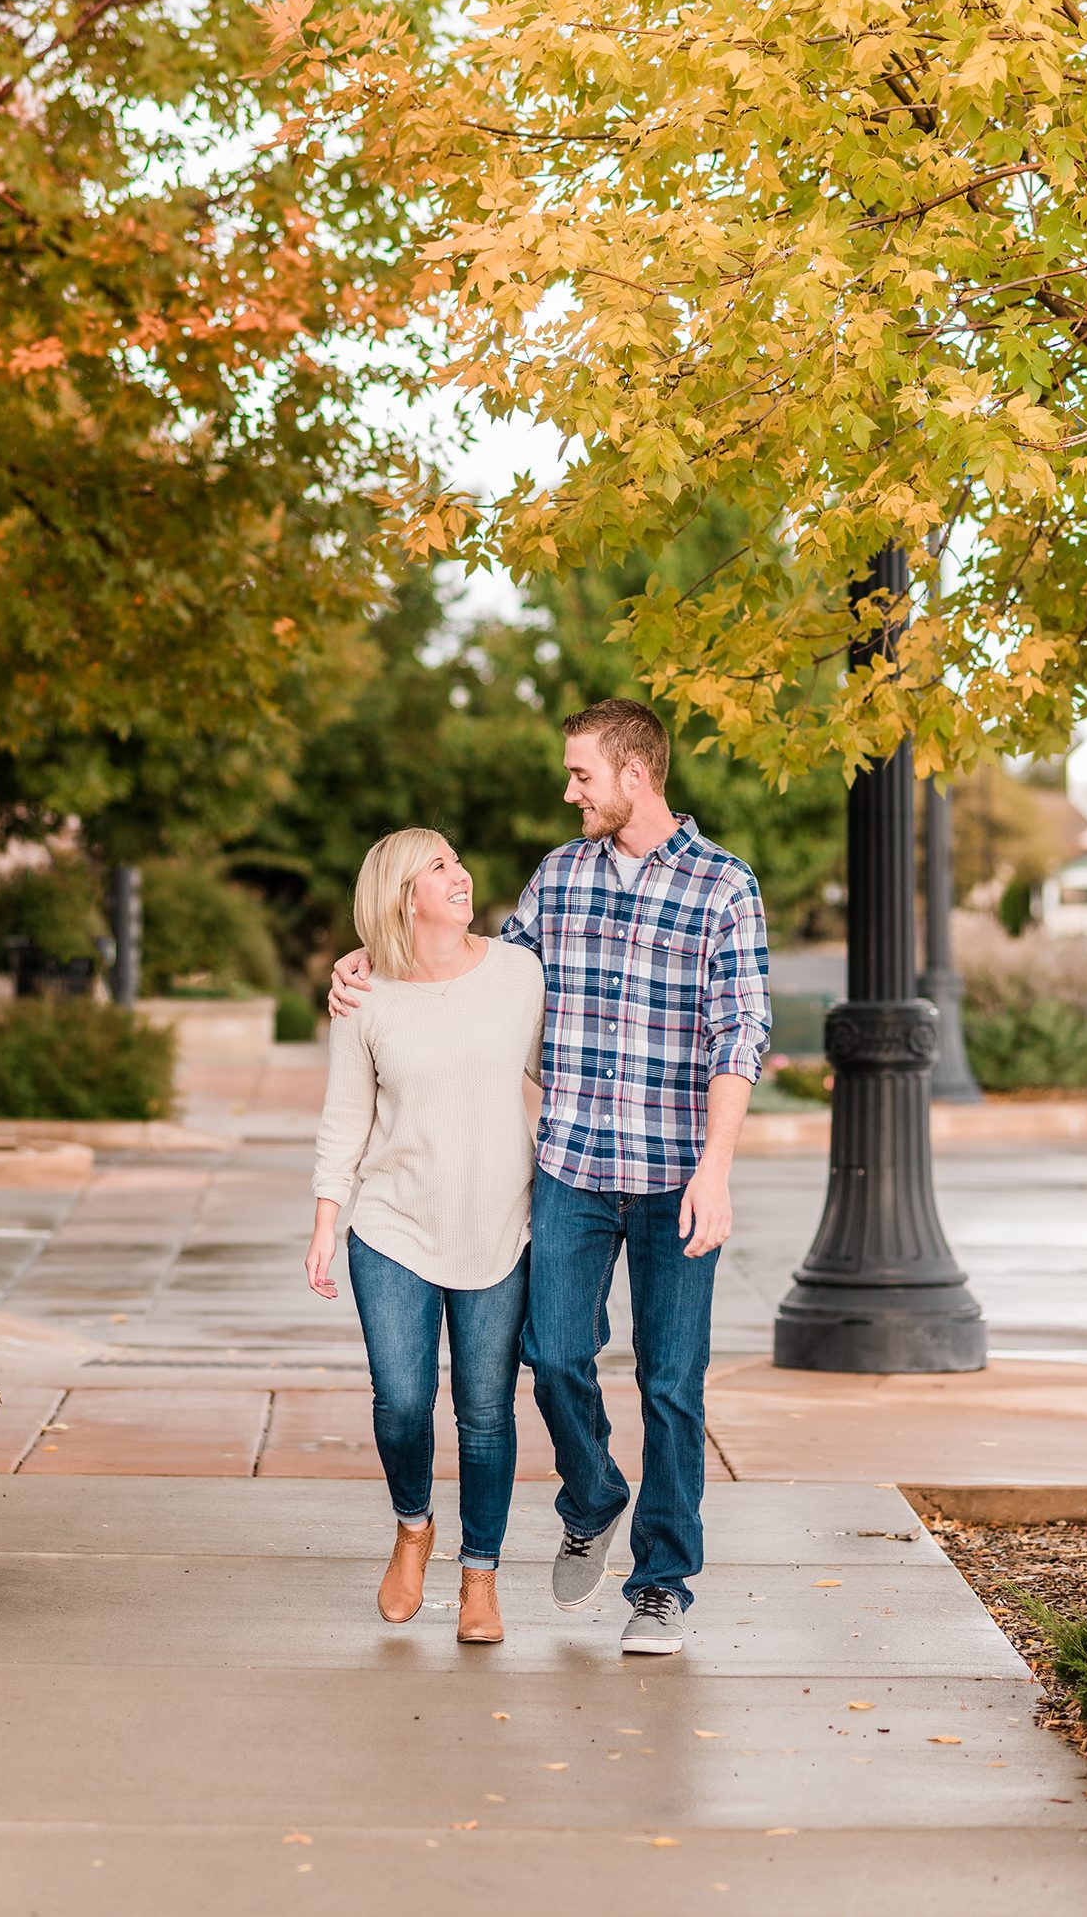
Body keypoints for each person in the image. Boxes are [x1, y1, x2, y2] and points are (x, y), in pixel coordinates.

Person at [331, 699, 770, 1656]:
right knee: (555, 1356)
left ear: (635, 777)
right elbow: (482, 975)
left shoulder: (724, 888)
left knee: (671, 1385)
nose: (568, 791)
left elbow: (742, 1033)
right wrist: (374, 956)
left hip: (674, 1176)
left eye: (581, 775)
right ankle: (595, 1494)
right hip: (570, 1167)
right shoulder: (559, 877)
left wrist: (717, 1169)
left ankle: (661, 1583)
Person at [308, 827, 544, 1645]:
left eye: (456, 859)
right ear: (403, 895)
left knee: (485, 1414)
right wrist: (324, 1220)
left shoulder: (520, 972)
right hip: (393, 1227)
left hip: (499, 1228)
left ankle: (480, 1578)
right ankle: (413, 1528)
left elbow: (559, 1071)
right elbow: (347, 1114)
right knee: (403, 1403)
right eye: (438, 866)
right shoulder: (365, 993)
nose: (461, 873)